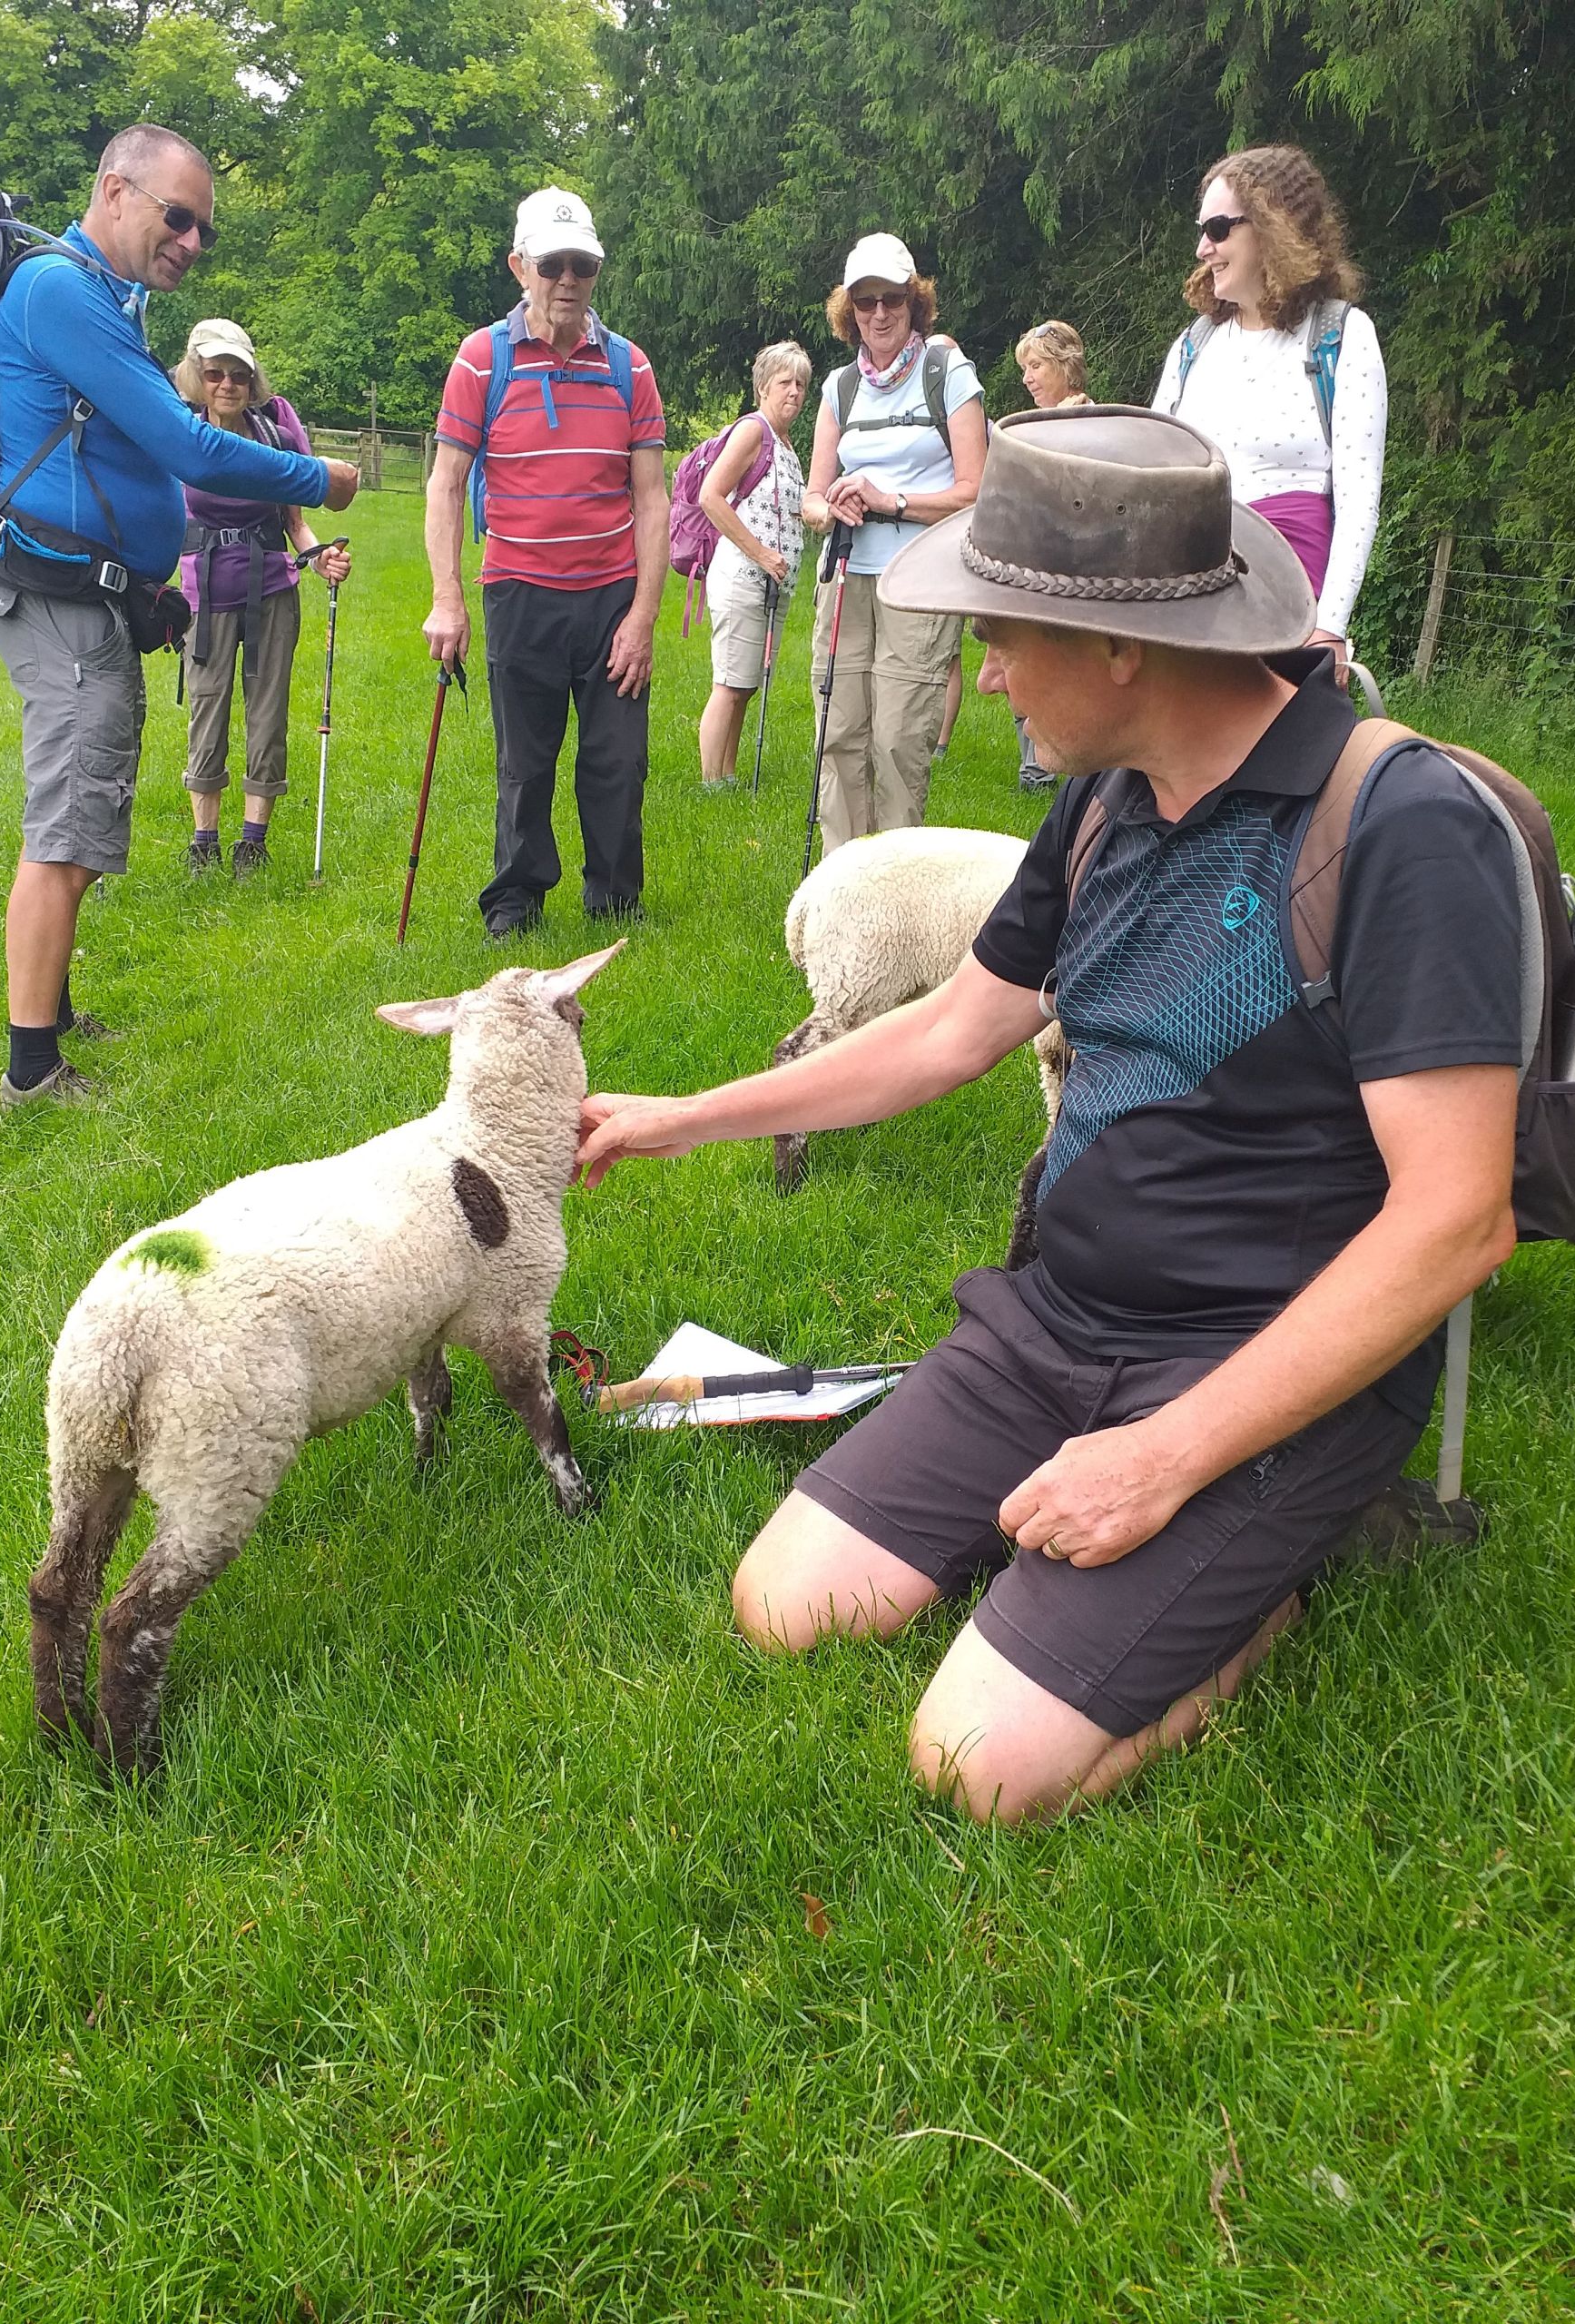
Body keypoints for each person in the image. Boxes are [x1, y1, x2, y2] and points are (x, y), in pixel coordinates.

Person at [576, 408, 1522, 1827]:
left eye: (1004, 636)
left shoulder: (1396, 824)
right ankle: (1101, 1551)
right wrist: (681, 1117)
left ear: (1124, 645)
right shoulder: (1102, 804)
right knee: (788, 1606)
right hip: (1057, 1320)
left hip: (1257, 1365)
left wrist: (1166, 1459)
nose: (990, 674)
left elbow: (1459, 1220)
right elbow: (955, 1030)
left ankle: (1267, 1570)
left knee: (980, 1769)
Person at [0, 123, 357, 1108]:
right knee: (64, 830)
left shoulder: (109, 299)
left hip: (97, 597)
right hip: (58, 596)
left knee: (88, 810)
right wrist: (321, 476)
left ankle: (50, 1011)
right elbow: (187, 446)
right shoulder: (61, 290)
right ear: (115, 191)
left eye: (204, 231)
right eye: (177, 217)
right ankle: (30, 1069)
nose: (191, 241)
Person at [425, 187, 667, 935]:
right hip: (519, 590)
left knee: (617, 764)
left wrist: (643, 618)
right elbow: (445, 481)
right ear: (520, 266)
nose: (569, 279)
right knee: (524, 764)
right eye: (554, 263)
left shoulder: (631, 367)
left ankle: (614, 902)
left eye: (583, 265)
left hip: (610, 598)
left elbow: (653, 500)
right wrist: (447, 598)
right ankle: (515, 900)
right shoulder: (481, 358)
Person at [1153, 143, 1385, 672]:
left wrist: (1331, 627)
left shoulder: (1341, 337)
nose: (1202, 248)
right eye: (1201, 231)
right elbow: (1158, 476)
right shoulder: (1194, 346)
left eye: (1217, 229)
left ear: (1272, 225)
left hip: (1287, 617)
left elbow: (1358, 499)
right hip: (1190, 608)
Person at [802, 232, 986, 852]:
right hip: (846, 574)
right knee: (840, 731)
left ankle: (897, 896)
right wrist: (829, 507)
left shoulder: (947, 374)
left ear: (915, 302)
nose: (878, 313)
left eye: (892, 300)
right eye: (865, 301)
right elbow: (812, 494)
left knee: (898, 741)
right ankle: (843, 888)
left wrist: (892, 501)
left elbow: (976, 492)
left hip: (919, 578)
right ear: (848, 311)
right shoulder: (839, 388)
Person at [174, 319, 352, 874]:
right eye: (215, 373)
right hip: (204, 591)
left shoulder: (274, 432)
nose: (227, 383)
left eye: (238, 375)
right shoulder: (177, 429)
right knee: (207, 706)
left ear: (253, 382)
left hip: (272, 585)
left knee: (268, 708)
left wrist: (320, 554)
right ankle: (204, 840)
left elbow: (296, 522)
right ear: (196, 376)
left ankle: (253, 840)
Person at [697, 340, 811, 791]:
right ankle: (711, 783)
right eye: (785, 382)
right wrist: (761, 554)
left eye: (801, 384)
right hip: (743, 578)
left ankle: (728, 775)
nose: (795, 393)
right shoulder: (754, 431)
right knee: (729, 681)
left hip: (771, 586)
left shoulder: (784, 442)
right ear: (764, 387)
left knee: (745, 685)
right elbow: (711, 497)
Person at [1013, 320, 1092, 788]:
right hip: (1031, 562)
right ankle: (1037, 765)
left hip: (1072, 567)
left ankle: (1063, 766)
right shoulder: (1032, 426)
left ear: (1067, 367)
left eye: (1037, 365)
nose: (1028, 377)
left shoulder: (1088, 422)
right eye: (1025, 367)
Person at [1016, 320, 1092, 413]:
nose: (1026, 379)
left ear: (1068, 366)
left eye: (1035, 366)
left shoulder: (1104, 422)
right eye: (1024, 369)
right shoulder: (1029, 425)